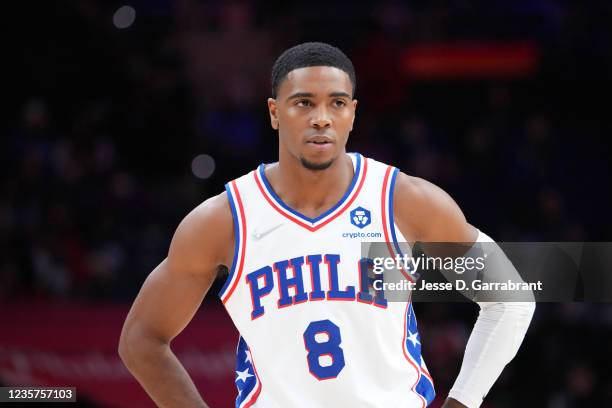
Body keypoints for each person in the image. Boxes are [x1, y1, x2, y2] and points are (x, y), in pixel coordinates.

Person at [119, 42, 535, 408]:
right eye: (303, 102)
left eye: (336, 103)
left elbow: (511, 299)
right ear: (274, 112)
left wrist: (463, 403)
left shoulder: (405, 200)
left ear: (352, 114)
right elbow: (141, 339)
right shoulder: (224, 220)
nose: (322, 118)